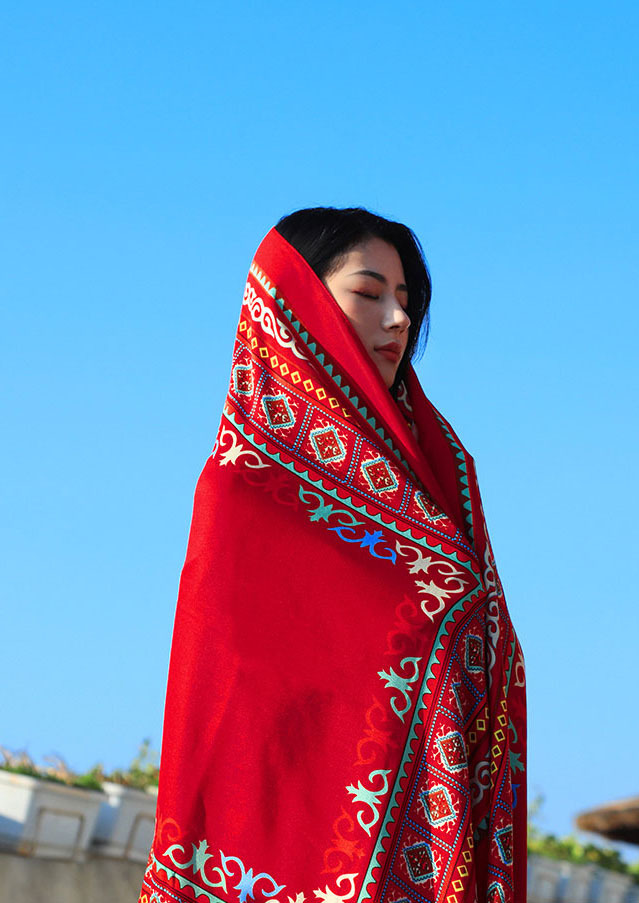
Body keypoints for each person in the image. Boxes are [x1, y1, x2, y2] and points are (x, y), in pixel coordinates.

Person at [138, 208, 527, 903]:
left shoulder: (442, 483)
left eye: (405, 300)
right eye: (369, 292)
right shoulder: (244, 492)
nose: (398, 319)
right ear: (298, 307)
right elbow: (229, 723)